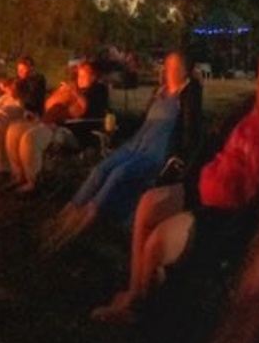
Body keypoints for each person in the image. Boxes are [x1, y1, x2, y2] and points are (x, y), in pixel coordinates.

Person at [91, 52, 259, 323]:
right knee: (147, 203)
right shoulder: (250, 113)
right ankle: (134, 290)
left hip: (220, 208)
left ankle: (139, 310)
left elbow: (254, 180)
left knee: (155, 241)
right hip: (202, 184)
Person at [42, 50, 202, 251]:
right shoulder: (159, 92)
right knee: (99, 170)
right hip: (136, 143)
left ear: (184, 70)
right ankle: (63, 218)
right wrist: (117, 126)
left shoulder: (187, 95)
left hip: (155, 152)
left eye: (174, 66)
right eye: (167, 65)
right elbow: (142, 121)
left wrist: (179, 159)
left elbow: (191, 132)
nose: (168, 70)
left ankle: (76, 228)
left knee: (118, 174)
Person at [4, 60, 109, 192]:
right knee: (14, 130)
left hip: (73, 131)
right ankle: (18, 174)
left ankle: (33, 182)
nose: (79, 79)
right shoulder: (74, 88)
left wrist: (74, 92)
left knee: (30, 138)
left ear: (94, 76)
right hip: (52, 123)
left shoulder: (99, 90)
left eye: (83, 76)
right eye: (78, 75)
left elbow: (85, 108)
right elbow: (51, 106)